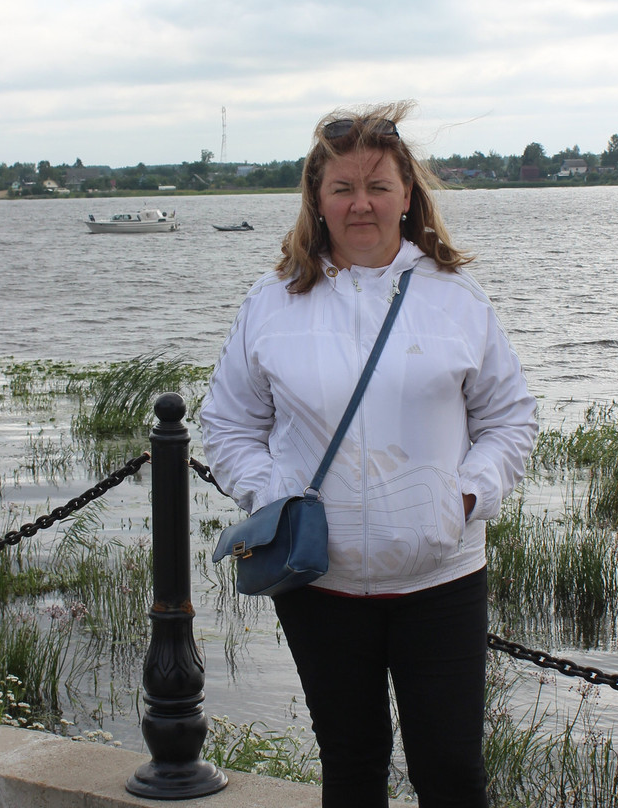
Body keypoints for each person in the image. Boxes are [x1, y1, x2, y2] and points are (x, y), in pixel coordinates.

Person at [199, 101, 538, 807]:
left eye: (378, 186)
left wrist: (468, 496)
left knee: (450, 770)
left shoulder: (456, 297)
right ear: (317, 200)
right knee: (351, 765)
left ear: (406, 195)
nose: (362, 204)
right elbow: (229, 425)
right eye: (343, 188)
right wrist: (272, 499)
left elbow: (509, 419)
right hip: (318, 581)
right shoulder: (273, 301)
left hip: (441, 577)